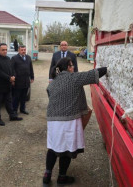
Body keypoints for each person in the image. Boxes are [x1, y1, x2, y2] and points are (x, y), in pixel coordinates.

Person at [42, 57, 107, 185]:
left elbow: (52, 97)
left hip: (53, 121)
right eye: (71, 66)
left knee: (53, 148)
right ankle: (61, 177)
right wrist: (109, 67)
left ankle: (47, 175)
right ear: (67, 67)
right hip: (68, 121)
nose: (73, 68)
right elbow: (96, 73)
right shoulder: (74, 78)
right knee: (66, 150)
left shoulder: (53, 83)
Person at [0, 43, 22, 126]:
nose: (5, 51)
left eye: (6, 49)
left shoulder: (8, 58)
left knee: (9, 101)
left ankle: (12, 116)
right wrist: (9, 78)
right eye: (3, 50)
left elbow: (11, 69)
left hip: (7, 85)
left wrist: (13, 77)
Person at [11, 45, 34, 115]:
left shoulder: (28, 57)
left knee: (24, 97)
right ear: (18, 50)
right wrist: (13, 79)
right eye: (22, 50)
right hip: (18, 81)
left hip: (26, 80)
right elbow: (12, 69)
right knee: (16, 97)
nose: (23, 51)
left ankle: (22, 109)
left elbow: (31, 68)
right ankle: (14, 110)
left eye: (24, 50)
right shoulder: (14, 58)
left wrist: (32, 77)